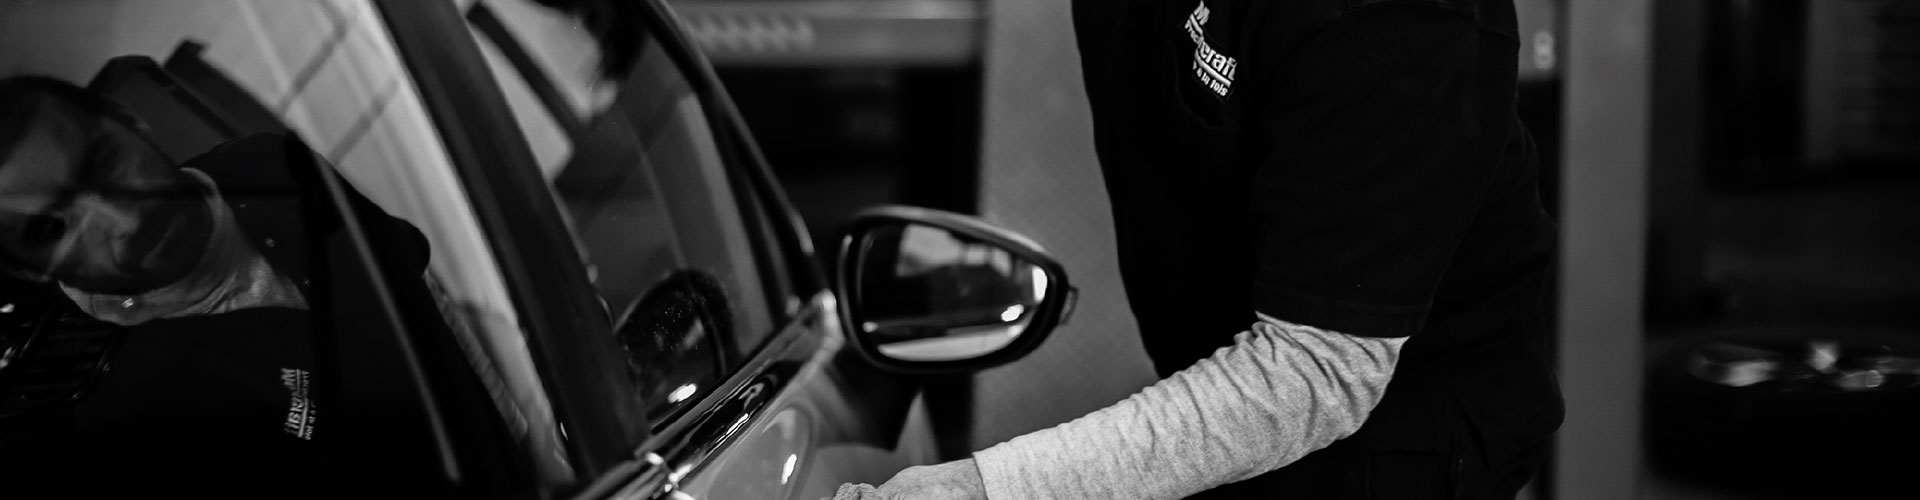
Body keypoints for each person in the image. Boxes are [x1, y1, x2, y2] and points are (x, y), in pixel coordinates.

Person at [851, 0, 1561, 499]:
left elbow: (1315, 370)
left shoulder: (1404, 21)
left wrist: (984, 489)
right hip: (1220, 380)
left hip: (1383, 443)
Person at [0, 75, 423, 496]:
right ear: (29, 270)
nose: (127, 220)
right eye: (49, 229)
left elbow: (408, 263)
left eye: (103, 161)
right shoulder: (136, 426)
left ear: (129, 121)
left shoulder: (267, 164)